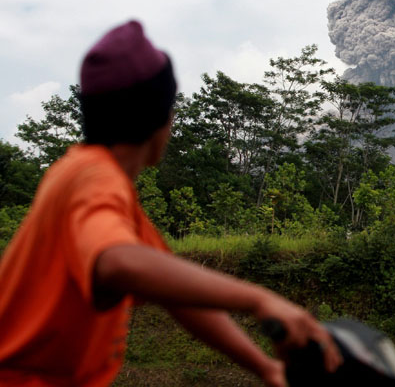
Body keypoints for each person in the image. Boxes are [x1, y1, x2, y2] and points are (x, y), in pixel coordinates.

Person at [0, 20, 341, 386]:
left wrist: (263, 366)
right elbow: (117, 263)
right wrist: (259, 299)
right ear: (159, 118)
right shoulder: (94, 179)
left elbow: (179, 298)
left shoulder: (85, 175)